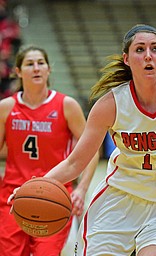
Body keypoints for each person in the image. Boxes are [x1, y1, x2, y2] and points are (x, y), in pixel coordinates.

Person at [8, 24, 156, 256]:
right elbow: (75, 162)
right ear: (126, 59)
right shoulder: (110, 104)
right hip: (120, 200)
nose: (148, 55)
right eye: (140, 49)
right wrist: (34, 188)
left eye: (155, 49)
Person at [0, 45, 99, 256]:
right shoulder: (6, 107)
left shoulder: (66, 105)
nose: (36, 68)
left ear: (48, 69)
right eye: (29, 64)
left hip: (53, 195)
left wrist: (81, 189)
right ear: (18, 71)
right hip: (12, 195)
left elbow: (91, 150)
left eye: (41, 63)